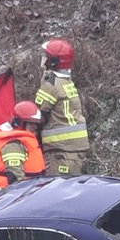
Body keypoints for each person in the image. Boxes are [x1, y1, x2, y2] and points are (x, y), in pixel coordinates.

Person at [34, 38, 89, 176]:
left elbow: (38, 117)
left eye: (45, 56)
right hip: (71, 148)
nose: (43, 60)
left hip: (62, 149)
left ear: (53, 61)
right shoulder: (66, 82)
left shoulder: (50, 84)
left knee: (59, 191)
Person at [0, 101, 46, 190]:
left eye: (36, 124)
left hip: (29, 188)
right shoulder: (13, 145)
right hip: (13, 195)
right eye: (31, 123)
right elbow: (15, 176)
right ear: (19, 123)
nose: (35, 127)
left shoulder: (21, 142)